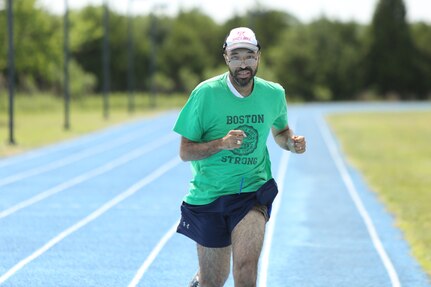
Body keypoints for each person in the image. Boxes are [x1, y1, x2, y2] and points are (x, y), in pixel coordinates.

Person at [173, 27, 306, 287]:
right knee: (214, 280)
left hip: (252, 192)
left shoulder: (273, 93)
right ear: (226, 58)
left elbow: (281, 131)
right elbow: (185, 151)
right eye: (236, 56)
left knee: (245, 269)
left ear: (258, 57)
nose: (243, 63)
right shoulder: (205, 94)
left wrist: (291, 142)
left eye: (249, 55)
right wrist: (221, 144)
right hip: (210, 195)